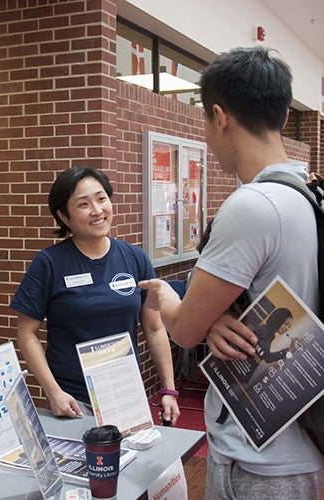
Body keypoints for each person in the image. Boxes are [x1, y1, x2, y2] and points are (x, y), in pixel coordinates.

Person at [139, 47, 324, 499]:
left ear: (220, 117)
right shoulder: (308, 193)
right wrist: (216, 317)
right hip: (299, 439)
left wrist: (165, 294)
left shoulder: (252, 206)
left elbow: (183, 330)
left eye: (204, 121)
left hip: (258, 456)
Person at [10, 166, 180, 425]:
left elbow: (155, 329)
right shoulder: (49, 263)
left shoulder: (135, 259)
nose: (97, 210)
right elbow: (26, 333)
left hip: (124, 393)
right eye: (83, 204)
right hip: (72, 400)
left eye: (101, 199)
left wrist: (168, 389)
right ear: (64, 217)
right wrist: (53, 391)